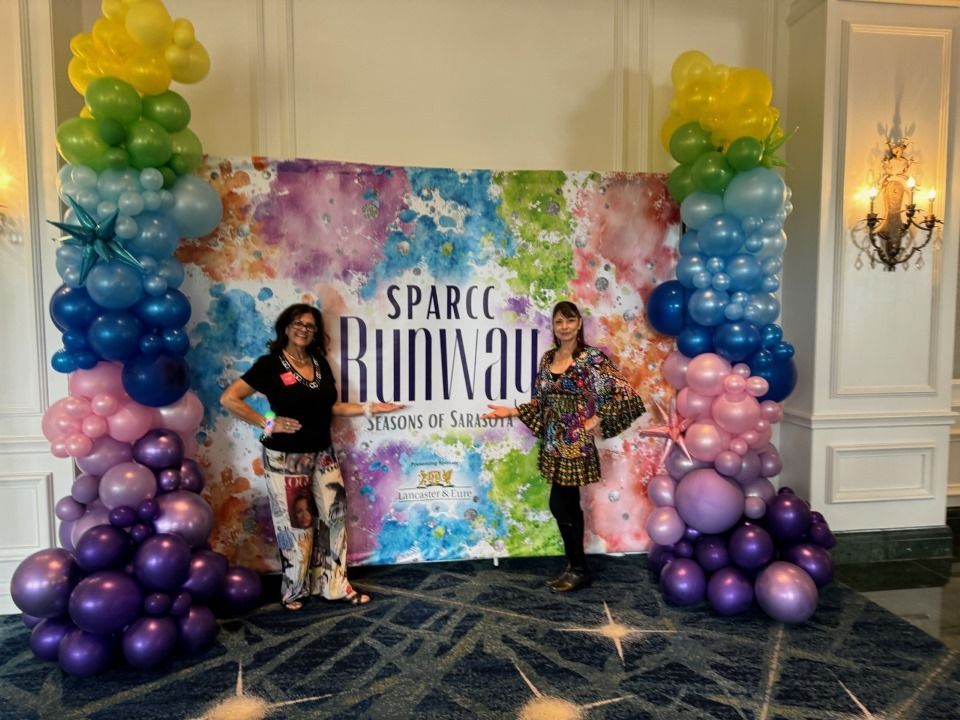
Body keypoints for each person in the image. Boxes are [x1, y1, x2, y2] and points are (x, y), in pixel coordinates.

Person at [221, 303, 404, 610]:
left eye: (310, 326)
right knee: (298, 526)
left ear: (315, 332)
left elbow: (330, 407)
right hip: (286, 458)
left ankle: (335, 585)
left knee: (335, 518)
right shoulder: (270, 365)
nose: (303, 330)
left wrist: (370, 408)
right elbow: (230, 398)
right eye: (298, 323)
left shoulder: (319, 363)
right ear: (286, 327)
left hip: (323, 453)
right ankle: (294, 590)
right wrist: (269, 422)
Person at [482, 301, 645, 592]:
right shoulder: (548, 358)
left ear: (579, 323)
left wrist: (595, 418)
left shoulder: (591, 358)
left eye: (570, 320)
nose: (565, 326)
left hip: (575, 443)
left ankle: (579, 569)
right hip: (553, 441)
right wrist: (511, 411)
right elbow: (541, 402)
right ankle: (575, 567)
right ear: (554, 326)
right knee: (566, 504)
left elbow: (624, 394)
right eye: (559, 321)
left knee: (561, 503)